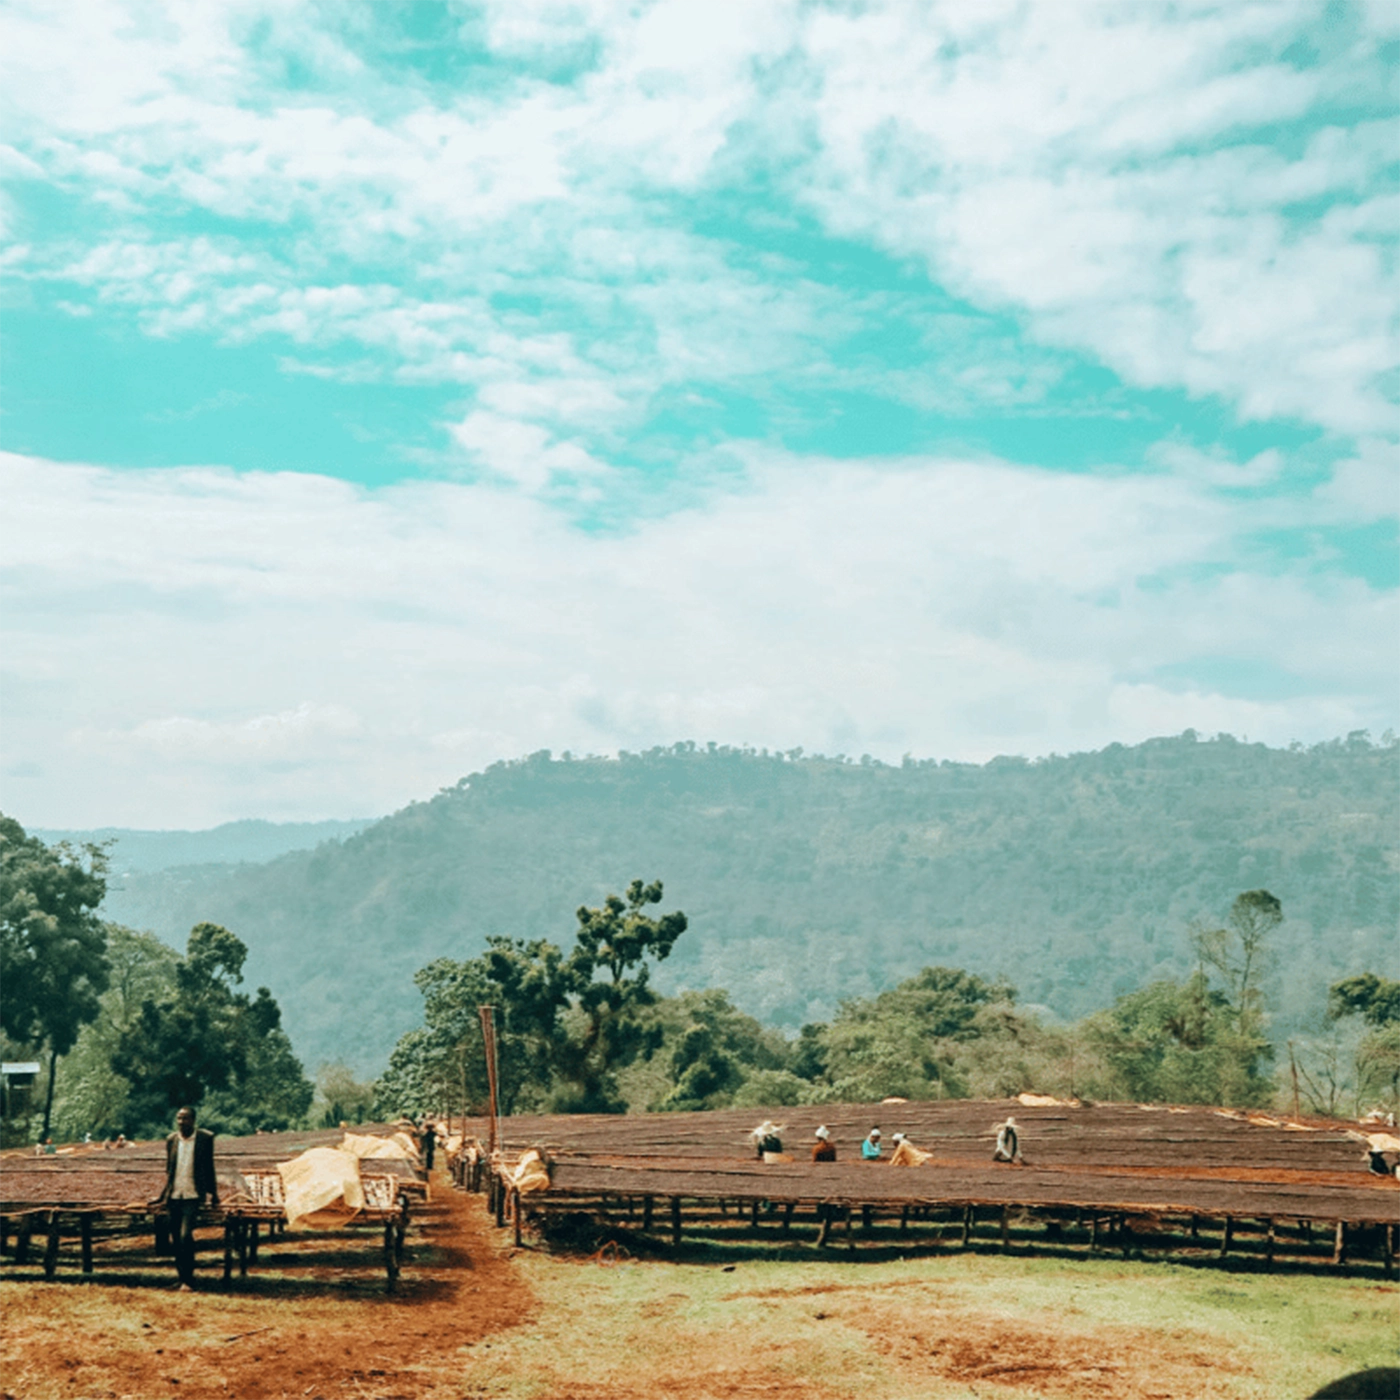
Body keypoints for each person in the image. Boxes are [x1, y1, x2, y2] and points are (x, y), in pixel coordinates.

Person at [159, 1106, 219, 1290]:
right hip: (175, 1194)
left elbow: (209, 1167)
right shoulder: (171, 1140)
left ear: (193, 1120)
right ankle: (182, 1278)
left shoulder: (205, 1139)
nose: (181, 1122)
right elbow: (169, 1169)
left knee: (186, 1236)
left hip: (193, 1195)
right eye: (179, 1118)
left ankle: (189, 1279)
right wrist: (164, 1194)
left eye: (185, 1118)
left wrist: (213, 1193)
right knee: (176, 1238)